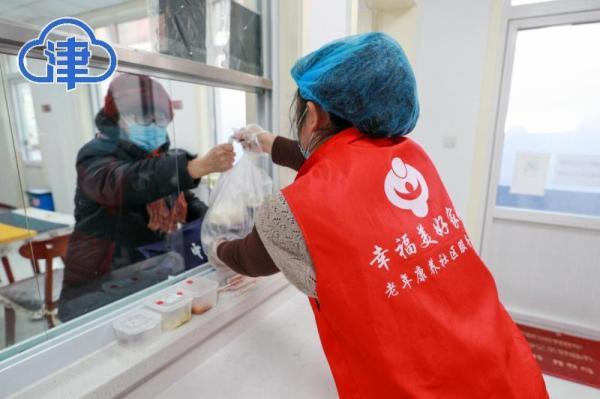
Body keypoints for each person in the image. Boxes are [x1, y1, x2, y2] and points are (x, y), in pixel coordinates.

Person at [213, 33, 549, 398]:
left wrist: (214, 245)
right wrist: (267, 142)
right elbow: (341, 164)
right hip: (504, 369)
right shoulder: (411, 159)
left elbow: (249, 258)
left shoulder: (290, 211)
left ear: (311, 115)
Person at [60, 73, 234, 319]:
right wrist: (191, 168)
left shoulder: (162, 158)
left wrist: (227, 234)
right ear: (117, 118)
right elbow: (126, 183)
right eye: (143, 117)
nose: (153, 125)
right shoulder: (94, 157)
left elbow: (191, 206)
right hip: (99, 285)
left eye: (160, 117)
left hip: (149, 275)